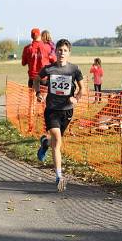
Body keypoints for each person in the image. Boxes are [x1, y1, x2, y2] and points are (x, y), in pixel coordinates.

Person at [34, 39, 85, 192]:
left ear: (69, 53)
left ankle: (45, 143)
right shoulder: (48, 69)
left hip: (67, 110)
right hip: (51, 110)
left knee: (55, 141)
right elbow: (36, 80)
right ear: (55, 52)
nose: (61, 53)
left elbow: (82, 89)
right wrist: (38, 93)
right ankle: (58, 176)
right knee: (57, 140)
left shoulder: (74, 70)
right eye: (59, 50)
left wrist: (76, 98)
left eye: (64, 50)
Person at [22, 28, 49, 132]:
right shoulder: (46, 47)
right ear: (39, 35)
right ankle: (45, 127)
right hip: (44, 78)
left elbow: (23, 63)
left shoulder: (27, 48)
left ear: (31, 36)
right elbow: (53, 59)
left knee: (31, 104)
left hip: (32, 79)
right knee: (44, 103)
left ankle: (30, 127)